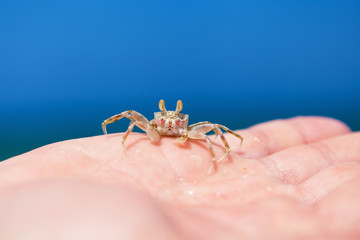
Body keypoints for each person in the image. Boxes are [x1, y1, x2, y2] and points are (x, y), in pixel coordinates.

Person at [0, 116, 359, 239]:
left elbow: (217, 129)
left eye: (175, 118)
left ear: (180, 119)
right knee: (129, 115)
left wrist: (224, 148)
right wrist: (119, 138)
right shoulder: (151, 126)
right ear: (160, 117)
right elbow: (128, 118)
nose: (171, 122)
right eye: (165, 117)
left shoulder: (188, 130)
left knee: (217, 130)